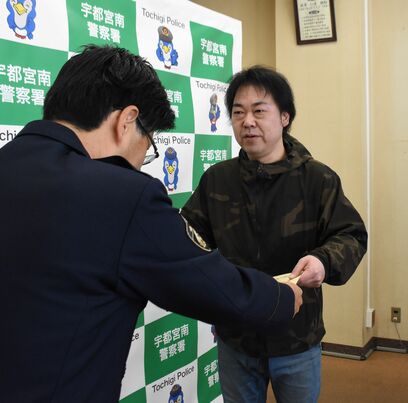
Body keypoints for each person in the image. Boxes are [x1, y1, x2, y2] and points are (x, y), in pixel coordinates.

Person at [0, 45, 303, 402]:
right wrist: (281, 297)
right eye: (148, 145)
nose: (142, 158)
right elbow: (205, 281)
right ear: (127, 120)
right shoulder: (124, 193)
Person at [181, 66, 368, 403]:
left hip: (296, 336)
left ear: (284, 117)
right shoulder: (217, 179)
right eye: (238, 112)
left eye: (259, 111)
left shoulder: (317, 179)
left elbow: (351, 235)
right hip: (236, 336)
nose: (247, 121)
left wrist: (323, 261)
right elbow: (190, 239)